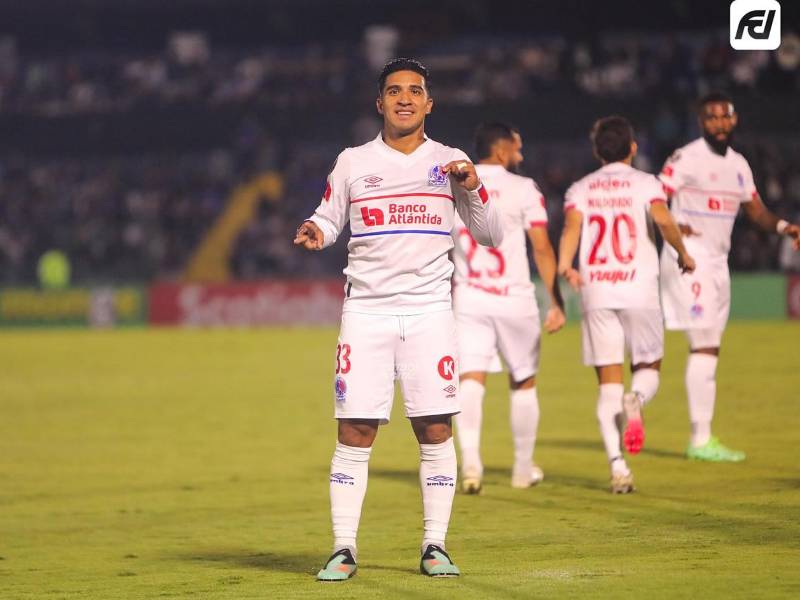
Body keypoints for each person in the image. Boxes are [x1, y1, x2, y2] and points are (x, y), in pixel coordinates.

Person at [293, 58, 503, 580]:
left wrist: (474, 185)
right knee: (355, 429)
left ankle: (435, 546)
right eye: (394, 91)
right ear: (380, 103)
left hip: (430, 313)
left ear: (429, 103)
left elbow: (492, 234)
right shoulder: (352, 162)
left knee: (434, 429)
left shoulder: (451, 161)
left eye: (414, 91)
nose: (404, 98)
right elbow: (329, 215)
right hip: (366, 312)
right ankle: (343, 548)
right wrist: (316, 229)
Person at [658, 92, 800, 462]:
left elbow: (756, 212)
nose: (719, 123)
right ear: (700, 122)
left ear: (734, 119)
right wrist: (670, 231)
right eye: (711, 118)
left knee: (709, 347)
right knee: (704, 344)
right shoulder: (686, 158)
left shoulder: (738, 164)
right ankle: (700, 438)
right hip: (689, 258)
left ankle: (640, 399)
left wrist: (786, 227)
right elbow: (656, 199)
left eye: (725, 116)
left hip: (717, 261)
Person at [558, 116, 696, 493]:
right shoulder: (647, 184)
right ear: (633, 148)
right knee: (648, 367)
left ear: (596, 150)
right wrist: (682, 252)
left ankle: (618, 466)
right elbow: (664, 220)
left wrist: (565, 265)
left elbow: (572, 228)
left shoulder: (580, 188)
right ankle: (636, 399)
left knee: (607, 386)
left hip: (598, 289)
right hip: (638, 288)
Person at [451, 122, 565, 494]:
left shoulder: (454, 184)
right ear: (501, 151)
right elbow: (542, 248)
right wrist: (555, 300)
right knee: (524, 382)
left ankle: (470, 463)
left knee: (470, 378)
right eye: (516, 148)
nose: (520, 155)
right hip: (514, 298)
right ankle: (520, 469)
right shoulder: (523, 189)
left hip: (469, 297)